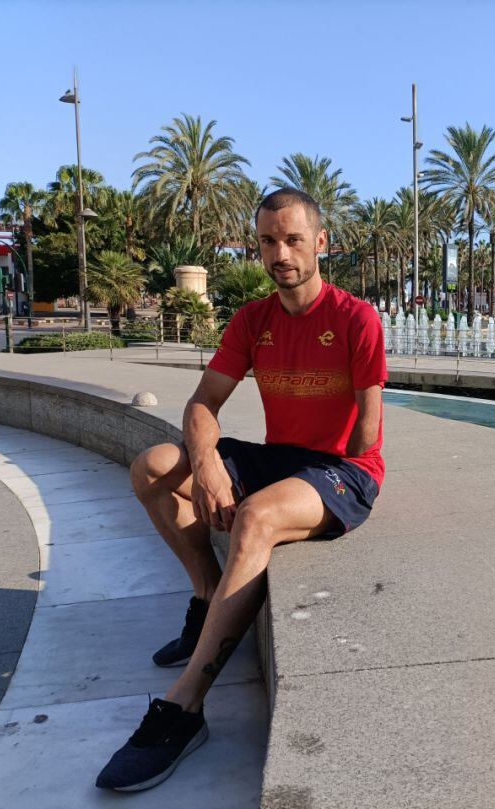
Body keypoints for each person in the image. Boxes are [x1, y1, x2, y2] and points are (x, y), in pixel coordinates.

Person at [96, 188, 387, 791]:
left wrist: (303, 480)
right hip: (280, 459)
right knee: (152, 466)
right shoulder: (253, 319)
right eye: (268, 241)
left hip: (342, 471)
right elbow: (204, 402)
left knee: (255, 517)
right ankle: (207, 597)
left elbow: (366, 436)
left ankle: (184, 707)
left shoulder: (356, 318)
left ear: (321, 243)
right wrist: (205, 463)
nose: (280, 253)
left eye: (293, 239)